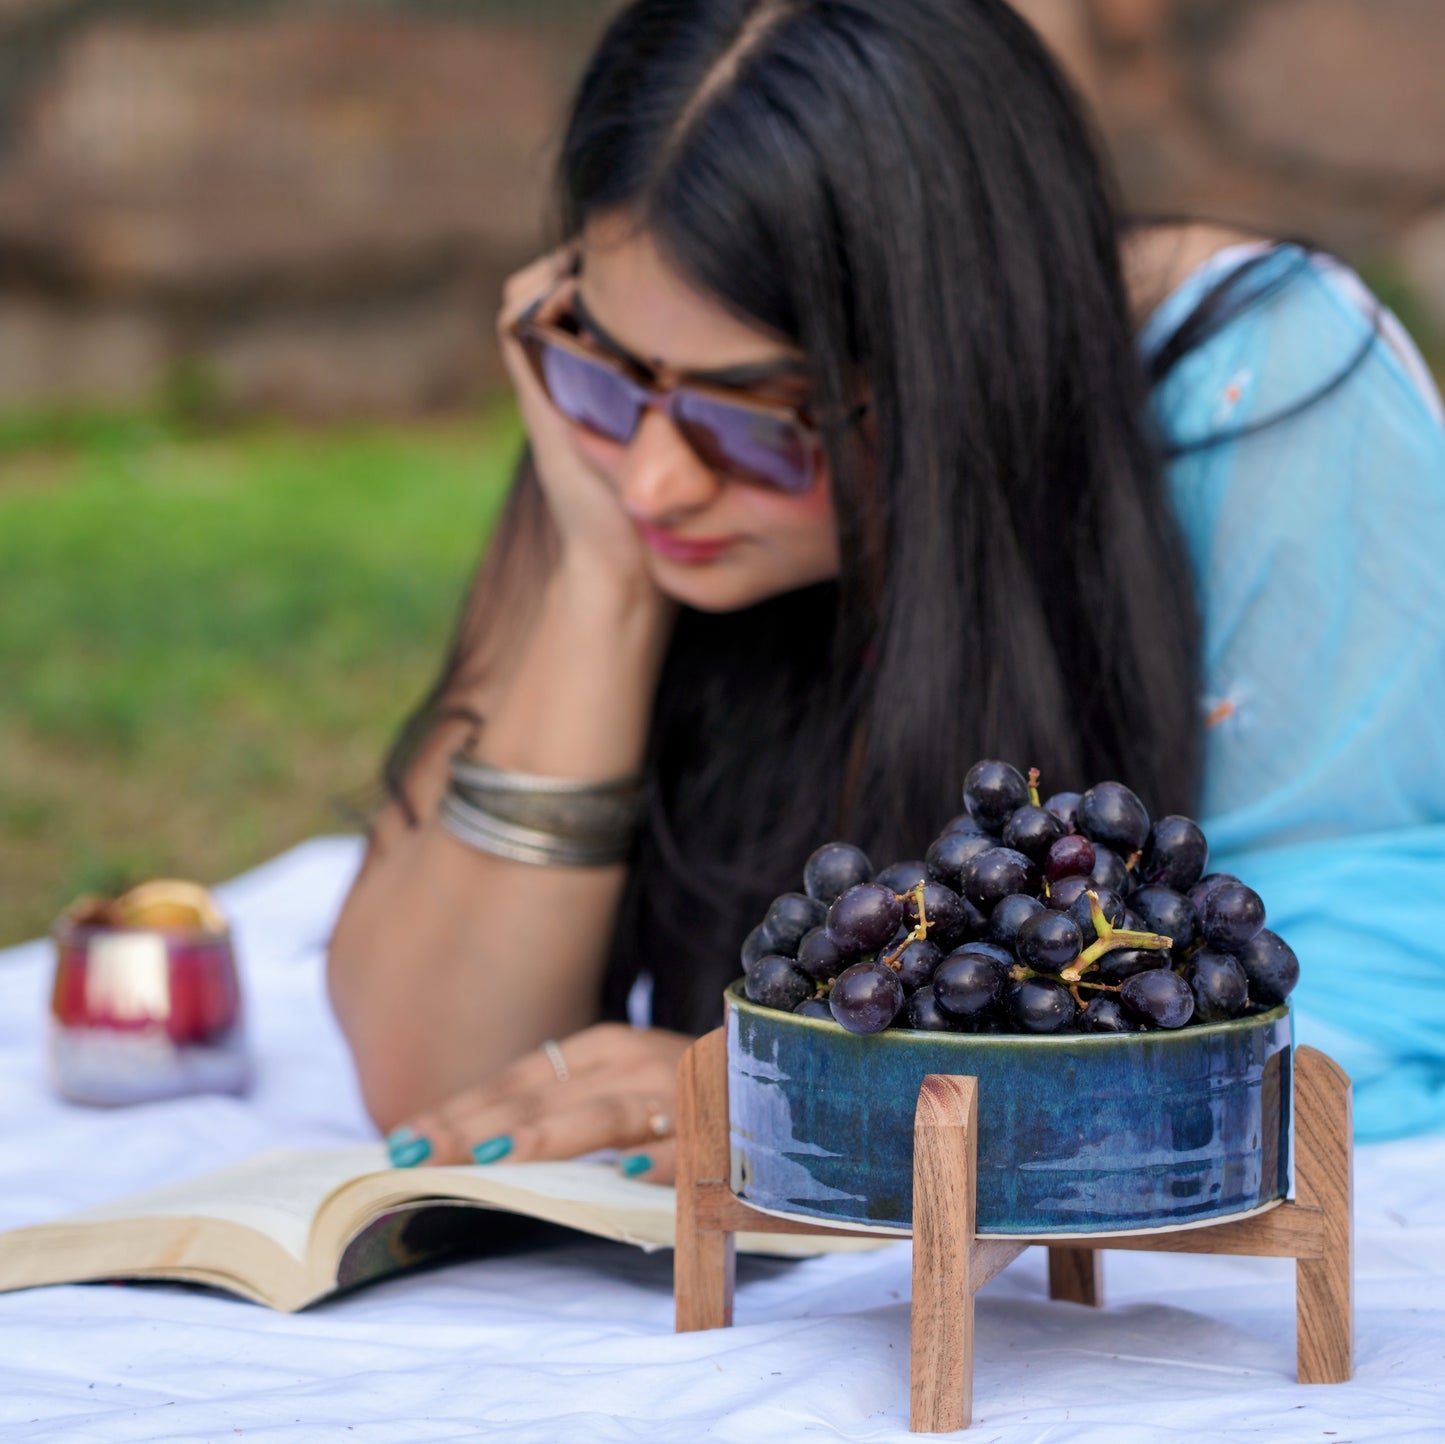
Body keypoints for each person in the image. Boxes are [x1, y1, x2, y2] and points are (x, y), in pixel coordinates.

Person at [326, 0, 1445, 1179]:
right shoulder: (631, 433)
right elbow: (436, 1071)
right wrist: (598, 577)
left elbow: (1358, 1000)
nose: (656, 480)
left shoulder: (1252, 381)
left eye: (758, 416)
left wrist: (832, 1099)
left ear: (961, 363)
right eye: (604, 373)